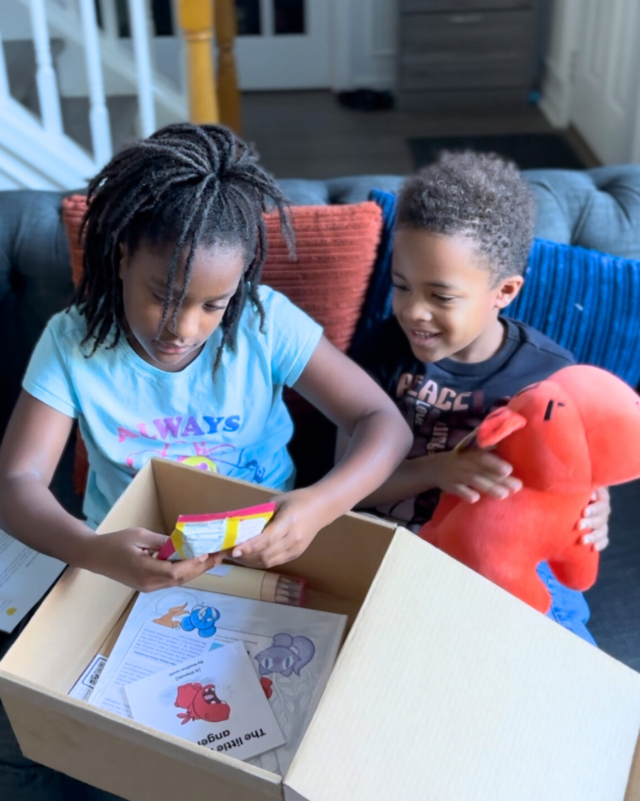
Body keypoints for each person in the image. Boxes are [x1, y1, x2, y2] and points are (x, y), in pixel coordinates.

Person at [0, 123, 412, 594]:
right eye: (163, 296)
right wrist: (90, 550)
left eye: (213, 305)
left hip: (265, 553)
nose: (184, 329)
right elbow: (17, 481)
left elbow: (382, 421)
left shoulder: (265, 323)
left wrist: (319, 506)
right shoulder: (73, 341)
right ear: (122, 258)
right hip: (122, 562)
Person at [338, 153, 610, 643]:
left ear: (504, 290)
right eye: (401, 287)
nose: (413, 312)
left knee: (565, 655)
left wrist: (596, 509)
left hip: (514, 559)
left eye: (441, 297)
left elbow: (577, 481)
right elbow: (346, 486)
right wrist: (437, 471)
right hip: (400, 550)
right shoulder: (379, 352)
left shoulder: (550, 377)